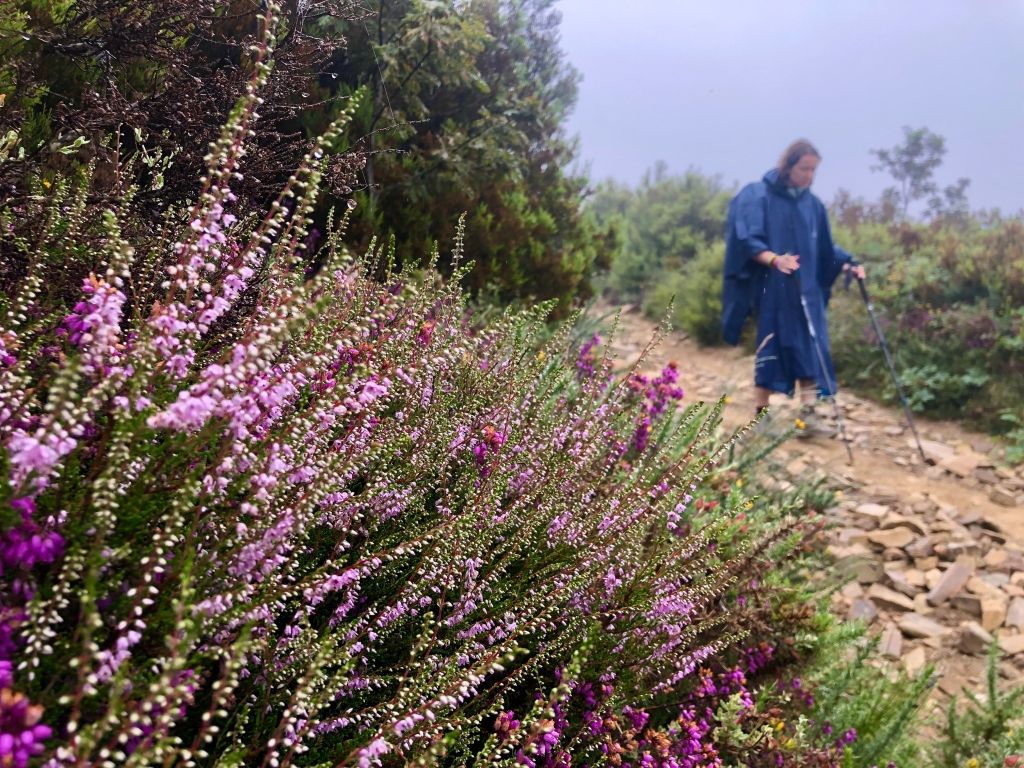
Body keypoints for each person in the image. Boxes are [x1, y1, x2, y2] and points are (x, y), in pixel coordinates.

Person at [721, 139, 866, 436]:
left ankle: (808, 418)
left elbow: (825, 248)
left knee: (810, 346)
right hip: (774, 288)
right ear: (788, 165)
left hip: (807, 289)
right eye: (804, 169)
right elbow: (748, 240)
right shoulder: (757, 195)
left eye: (813, 170)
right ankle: (760, 418)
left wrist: (849, 263)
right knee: (771, 346)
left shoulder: (812, 204)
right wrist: (775, 260)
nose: (809, 176)